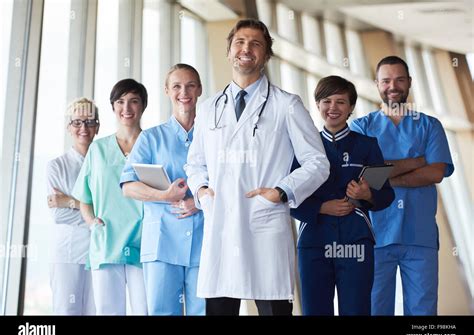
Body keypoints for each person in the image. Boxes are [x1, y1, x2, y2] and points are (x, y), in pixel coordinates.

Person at [185, 19, 330, 316]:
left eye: (255, 44)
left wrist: (281, 191)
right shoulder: (208, 107)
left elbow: (318, 162)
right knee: (220, 307)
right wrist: (201, 191)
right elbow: (195, 162)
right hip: (222, 225)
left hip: (263, 222)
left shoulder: (286, 105)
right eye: (239, 42)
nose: (246, 49)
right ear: (229, 51)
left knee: (272, 307)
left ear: (266, 55)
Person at [350, 56, 454, 315]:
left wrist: (385, 176)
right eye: (386, 80)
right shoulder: (361, 127)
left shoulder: (430, 126)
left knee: (423, 311)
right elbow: (365, 176)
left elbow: (435, 172)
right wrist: (417, 161)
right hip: (373, 235)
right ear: (376, 84)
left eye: (399, 79)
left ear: (409, 83)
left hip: (419, 236)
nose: (392, 86)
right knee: (374, 309)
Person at [290, 76, 394, 315]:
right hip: (314, 242)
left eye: (340, 102)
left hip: (355, 240)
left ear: (351, 108)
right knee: (315, 310)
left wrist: (367, 194)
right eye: (326, 101)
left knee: (356, 310)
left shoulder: (367, 145)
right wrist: (321, 208)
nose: (333, 108)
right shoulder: (302, 146)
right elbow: (288, 197)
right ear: (317, 105)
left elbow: (386, 195)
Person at [120, 64, 205, 315]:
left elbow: (229, 182)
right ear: (167, 90)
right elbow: (128, 186)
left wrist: (197, 201)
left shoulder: (211, 136)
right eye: (177, 86)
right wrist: (164, 195)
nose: (184, 92)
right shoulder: (150, 138)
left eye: (190, 85)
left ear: (199, 90)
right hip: (162, 244)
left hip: (204, 242)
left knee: (205, 312)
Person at [72, 79, 148, 315]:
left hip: (145, 243)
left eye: (134, 101)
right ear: (113, 107)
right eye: (120, 101)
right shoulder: (98, 149)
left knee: (146, 310)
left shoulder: (152, 144)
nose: (127, 108)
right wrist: (91, 221)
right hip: (106, 242)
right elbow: (85, 198)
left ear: (143, 106)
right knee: (108, 312)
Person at [46, 98, 99, 315]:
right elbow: (59, 215)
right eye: (77, 122)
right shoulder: (56, 166)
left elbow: (112, 209)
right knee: (67, 310)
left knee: (97, 311)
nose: (83, 128)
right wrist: (94, 213)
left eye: (89, 122)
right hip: (68, 252)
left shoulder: (103, 164)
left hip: (98, 251)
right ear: (69, 127)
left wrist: (72, 202)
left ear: (97, 126)